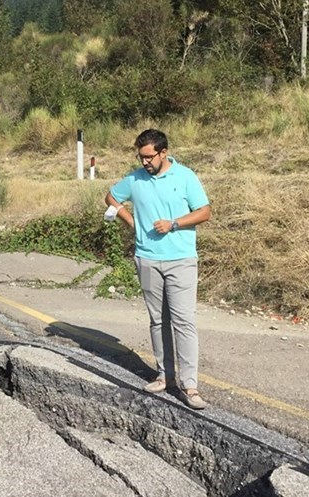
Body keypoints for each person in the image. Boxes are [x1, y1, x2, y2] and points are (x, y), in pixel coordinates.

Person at [105, 129, 211, 410]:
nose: (144, 163)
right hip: (147, 258)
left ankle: (190, 386)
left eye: (149, 157)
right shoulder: (135, 178)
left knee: (184, 322)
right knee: (157, 320)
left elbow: (204, 212)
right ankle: (165, 376)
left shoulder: (185, 176)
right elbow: (111, 198)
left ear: (163, 153)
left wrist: (174, 224)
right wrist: (131, 221)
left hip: (181, 260)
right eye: (140, 157)